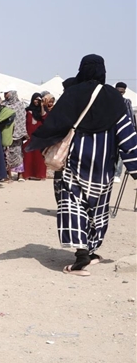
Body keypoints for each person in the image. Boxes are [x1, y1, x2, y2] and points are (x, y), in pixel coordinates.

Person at [26, 54, 137, 276]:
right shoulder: (114, 99)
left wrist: (38, 143)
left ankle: (81, 256)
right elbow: (127, 135)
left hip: (75, 162)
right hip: (103, 166)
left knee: (74, 205)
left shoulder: (72, 94)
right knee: (98, 208)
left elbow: (54, 125)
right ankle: (91, 250)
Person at [2, 90, 27, 182]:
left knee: (18, 154)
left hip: (17, 134)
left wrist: (21, 132)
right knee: (6, 154)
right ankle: (7, 175)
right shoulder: (3, 104)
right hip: (6, 132)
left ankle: (20, 175)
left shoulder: (20, 105)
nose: (5, 95)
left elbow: (22, 119)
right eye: (4, 93)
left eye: (7, 93)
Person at [113, 82, 136, 182]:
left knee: (118, 153)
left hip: (119, 130)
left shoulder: (125, 102)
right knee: (116, 153)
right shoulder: (123, 102)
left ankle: (116, 173)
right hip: (118, 130)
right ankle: (115, 173)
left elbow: (131, 117)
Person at [23, 92, 48, 181]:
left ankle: (40, 175)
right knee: (28, 156)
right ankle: (27, 174)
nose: (37, 101)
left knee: (39, 156)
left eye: (38, 100)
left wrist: (42, 106)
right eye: (35, 99)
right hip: (29, 136)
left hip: (39, 136)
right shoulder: (27, 111)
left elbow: (44, 118)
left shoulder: (43, 111)